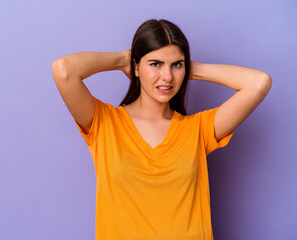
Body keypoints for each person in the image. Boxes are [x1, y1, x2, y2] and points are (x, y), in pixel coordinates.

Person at [52, 19, 272, 240]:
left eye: (176, 64)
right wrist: (122, 60)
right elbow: (64, 70)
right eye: (155, 64)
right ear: (136, 67)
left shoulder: (198, 128)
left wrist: (190, 69)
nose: (167, 77)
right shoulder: (104, 122)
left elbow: (259, 83)